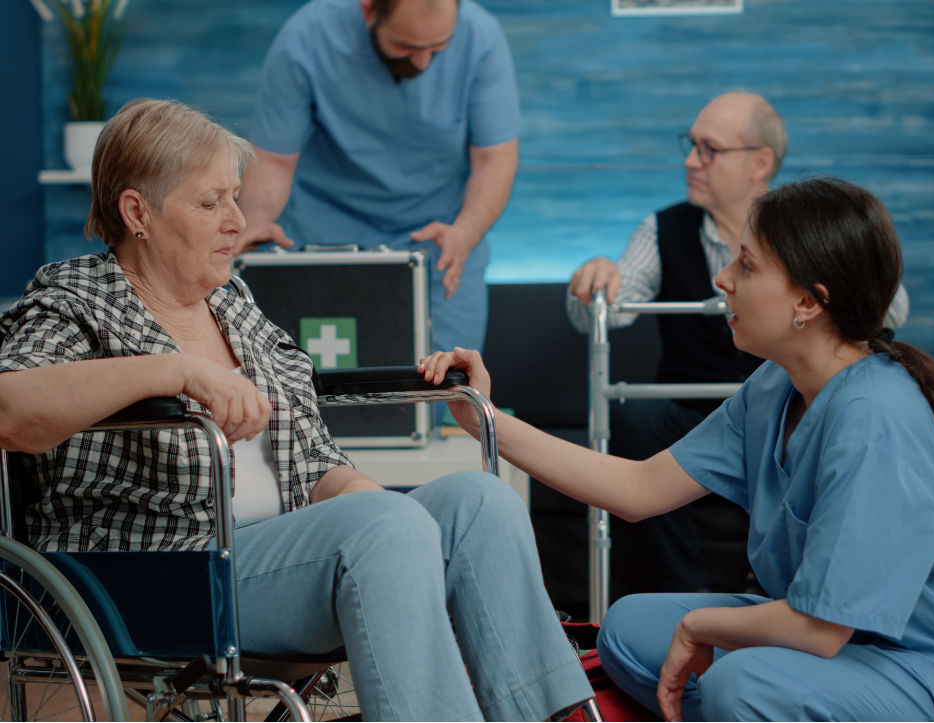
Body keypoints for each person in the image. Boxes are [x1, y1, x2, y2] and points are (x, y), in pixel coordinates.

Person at [0, 99, 591, 722]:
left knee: (479, 504)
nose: (237, 221)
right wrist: (173, 369)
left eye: (236, 197)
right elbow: (11, 408)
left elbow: (317, 467)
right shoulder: (77, 299)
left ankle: (550, 717)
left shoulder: (239, 312)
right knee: (382, 527)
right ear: (136, 211)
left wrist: (396, 514)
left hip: (275, 562)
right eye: (211, 203)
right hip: (155, 576)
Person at [420, 177, 934, 721]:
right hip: (844, 648)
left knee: (743, 681)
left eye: (746, 266)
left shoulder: (876, 418)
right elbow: (640, 489)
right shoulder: (774, 387)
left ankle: (751, 700)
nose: (723, 278)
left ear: (809, 302)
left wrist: (702, 627)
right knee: (628, 626)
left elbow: (825, 628)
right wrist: (486, 418)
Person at [566, 92, 909, 599]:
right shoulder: (663, 230)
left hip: (784, 412)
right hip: (698, 416)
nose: (689, 161)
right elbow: (598, 314)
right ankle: (686, 588)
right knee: (638, 420)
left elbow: (886, 308)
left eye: (708, 149)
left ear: (760, 162)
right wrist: (596, 283)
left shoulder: (807, 235)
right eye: (690, 146)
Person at [234, 0, 520, 360]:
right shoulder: (306, 38)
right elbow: (274, 158)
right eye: (407, 47)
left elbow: (495, 157)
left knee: (446, 389)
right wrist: (256, 220)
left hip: (443, 241)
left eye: (438, 48)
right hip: (329, 237)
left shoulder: (482, 38)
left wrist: (466, 231)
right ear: (368, 10)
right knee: (317, 387)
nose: (422, 62)